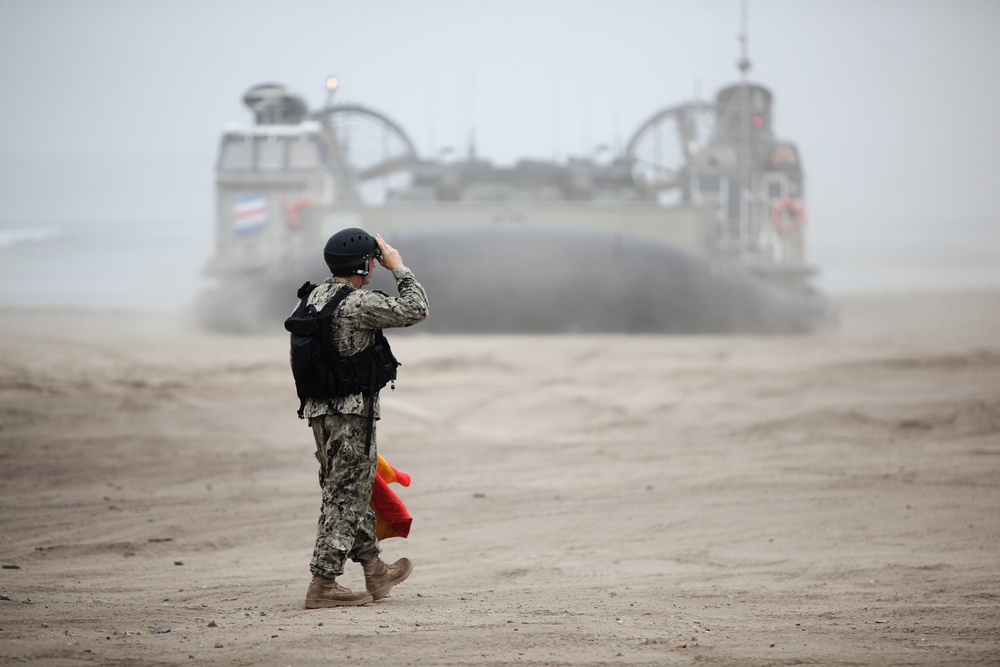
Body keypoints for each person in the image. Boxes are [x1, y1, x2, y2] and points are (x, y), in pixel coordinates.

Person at [301, 228, 428, 608]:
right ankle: (323, 583)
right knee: (344, 496)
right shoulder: (357, 302)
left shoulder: (313, 296)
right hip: (352, 415)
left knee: (349, 491)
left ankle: (375, 570)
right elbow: (416, 309)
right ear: (366, 265)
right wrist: (400, 268)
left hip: (320, 411)